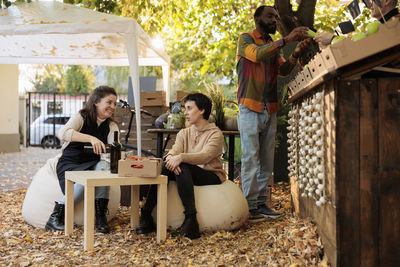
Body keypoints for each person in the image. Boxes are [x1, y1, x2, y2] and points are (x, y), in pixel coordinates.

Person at [237, 5, 311, 223]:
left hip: (270, 108)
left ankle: (261, 204)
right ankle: (248, 207)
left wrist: (295, 53)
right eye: (270, 16)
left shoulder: (272, 45)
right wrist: (286, 40)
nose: (274, 19)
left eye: (276, 17)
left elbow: (283, 70)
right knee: (251, 158)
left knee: (266, 162)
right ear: (257, 18)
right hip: (250, 106)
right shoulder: (246, 39)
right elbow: (257, 55)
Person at [135, 93, 226, 239]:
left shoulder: (215, 134)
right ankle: (146, 214)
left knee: (181, 164)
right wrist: (172, 158)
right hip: (186, 173)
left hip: (210, 174)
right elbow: (173, 152)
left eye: (189, 108)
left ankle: (191, 218)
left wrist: (181, 158)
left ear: (202, 111)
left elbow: (205, 156)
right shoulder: (184, 133)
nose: (186, 112)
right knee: (165, 166)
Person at [45, 86, 119, 234]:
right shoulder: (81, 117)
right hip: (72, 161)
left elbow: (114, 147)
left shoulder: (112, 126)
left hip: (93, 163)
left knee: (103, 168)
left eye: (114, 104)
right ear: (96, 102)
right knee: (87, 178)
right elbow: (63, 133)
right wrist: (91, 138)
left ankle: (100, 218)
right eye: (109, 102)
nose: (112, 107)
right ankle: (55, 217)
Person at [314, 0, 399, 45]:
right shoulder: (385, 24)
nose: (369, 4)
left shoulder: (395, 23)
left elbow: (366, 47)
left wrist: (333, 39)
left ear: (387, 0)